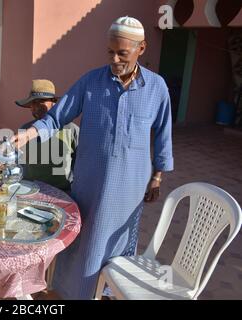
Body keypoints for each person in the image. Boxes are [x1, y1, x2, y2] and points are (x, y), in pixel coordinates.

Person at [11, 16, 174, 299]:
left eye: (122, 53)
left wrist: (158, 176)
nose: (115, 58)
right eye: (110, 51)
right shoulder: (90, 82)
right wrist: (30, 134)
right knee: (83, 242)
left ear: (142, 48)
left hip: (131, 187)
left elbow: (163, 134)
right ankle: (72, 293)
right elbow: (57, 117)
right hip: (90, 181)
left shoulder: (156, 88)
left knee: (119, 242)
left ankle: (110, 292)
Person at [15, 79, 79, 191]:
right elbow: (18, 163)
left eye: (41, 102)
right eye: (32, 104)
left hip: (61, 190)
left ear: (54, 103)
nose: (35, 107)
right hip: (30, 188)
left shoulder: (71, 130)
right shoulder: (25, 130)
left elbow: (80, 163)